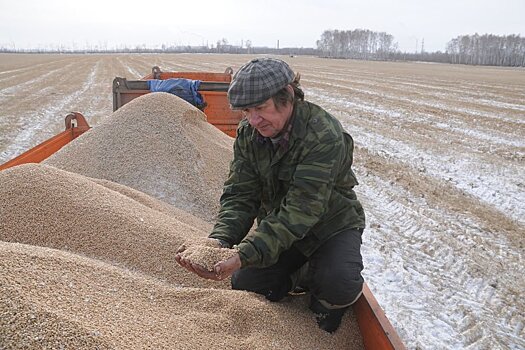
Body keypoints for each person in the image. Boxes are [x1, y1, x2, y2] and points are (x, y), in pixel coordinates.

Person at [176, 57, 366, 333]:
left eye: (261, 108)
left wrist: (245, 253)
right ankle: (300, 274)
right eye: (246, 111)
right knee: (245, 282)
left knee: (338, 285)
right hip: (280, 227)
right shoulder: (249, 135)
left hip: (330, 226)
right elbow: (241, 193)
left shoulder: (323, 135)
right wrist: (220, 239)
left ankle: (322, 284)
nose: (253, 120)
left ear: (287, 96)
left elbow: (302, 209)